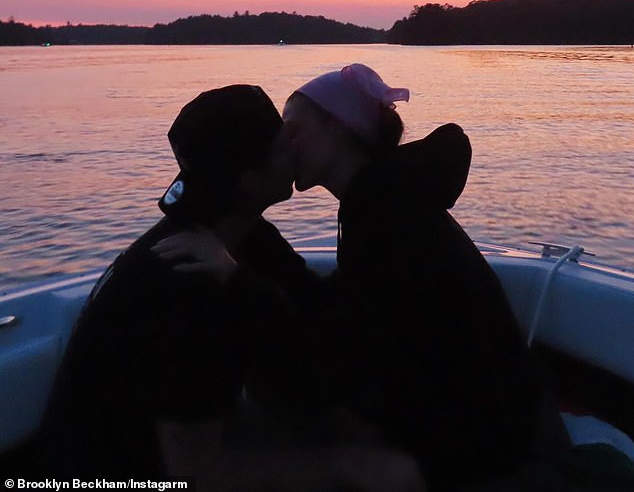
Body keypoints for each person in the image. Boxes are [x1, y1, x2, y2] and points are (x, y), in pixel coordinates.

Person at [39, 84, 425, 492]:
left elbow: (317, 308)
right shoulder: (185, 286)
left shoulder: (248, 238)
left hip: (196, 441)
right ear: (248, 180)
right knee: (389, 474)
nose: (296, 149)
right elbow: (196, 475)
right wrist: (351, 467)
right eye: (283, 144)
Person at [278, 63, 569, 491]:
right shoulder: (382, 202)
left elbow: (370, 340)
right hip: (505, 425)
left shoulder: (386, 218)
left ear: (337, 127)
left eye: (293, 129)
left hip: (497, 448)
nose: (283, 145)